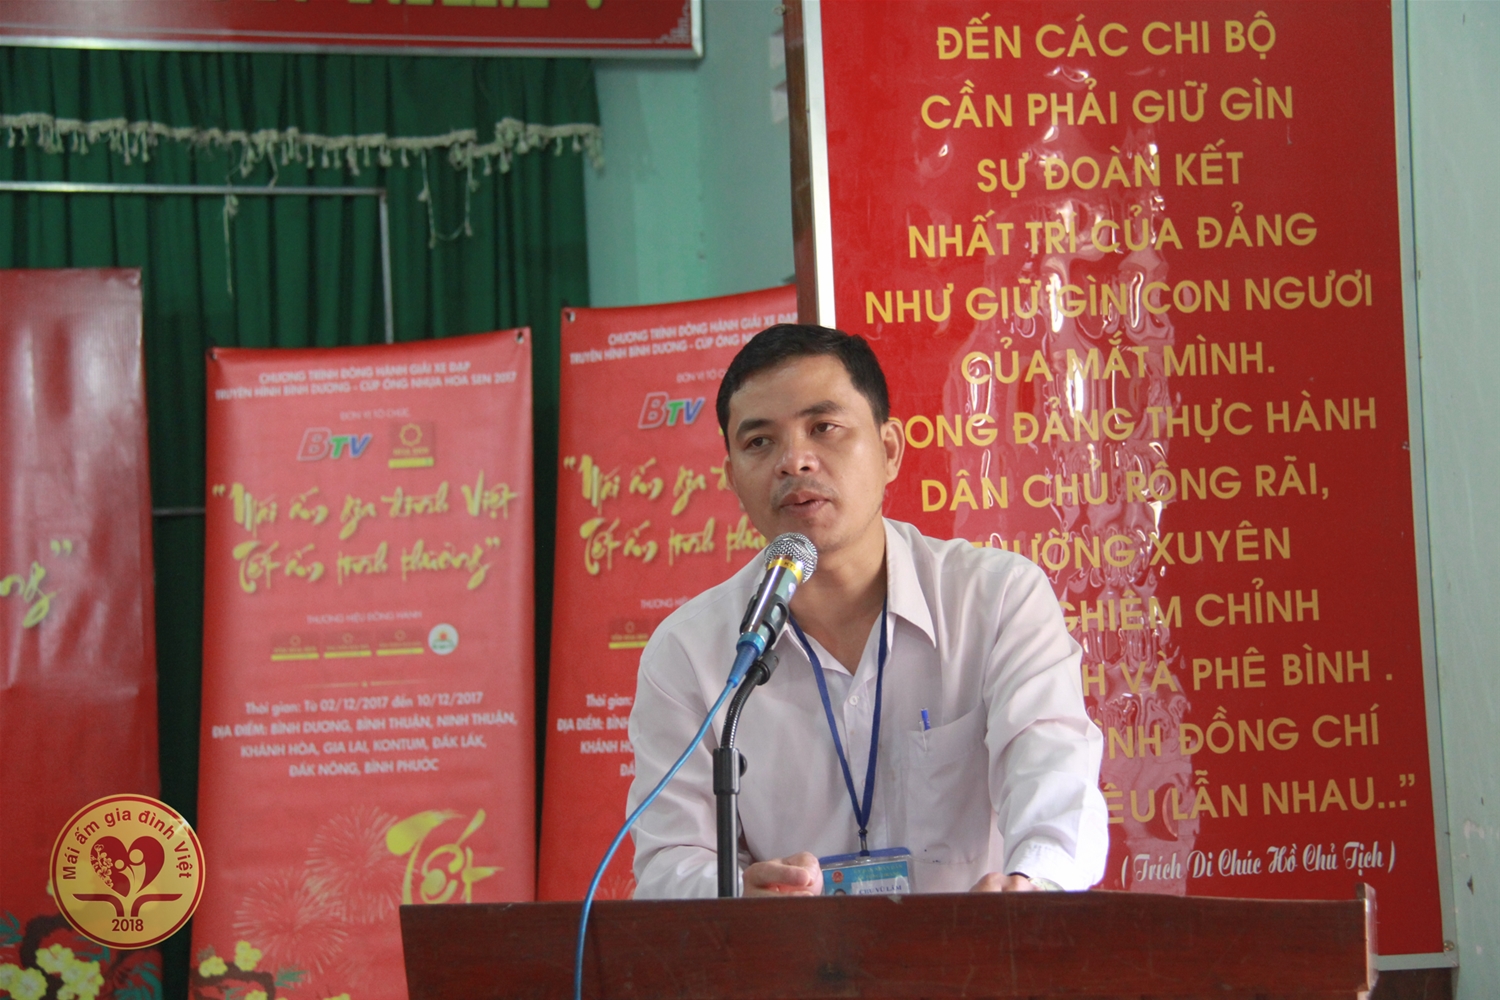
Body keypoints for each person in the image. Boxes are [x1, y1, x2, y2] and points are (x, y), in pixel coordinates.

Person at [626, 324, 1107, 897]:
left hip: (973, 946)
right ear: (732, 478)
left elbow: (1055, 781)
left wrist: (1031, 888)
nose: (794, 462)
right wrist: (735, 898)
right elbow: (669, 858)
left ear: (889, 451)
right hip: (792, 954)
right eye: (759, 442)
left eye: (823, 428)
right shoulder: (690, 653)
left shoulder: (997, 600)